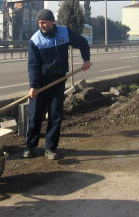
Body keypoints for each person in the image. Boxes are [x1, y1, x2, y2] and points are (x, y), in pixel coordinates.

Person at [24, 9, 91, 160]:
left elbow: (82, 42)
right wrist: (33, 86)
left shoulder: (64, 33)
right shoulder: (35, 40)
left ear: (52, 21)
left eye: (44, 22)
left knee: (55, 116)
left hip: (59, 81)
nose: (41, 25)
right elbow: (33, 65)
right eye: (39, 23)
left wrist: (86, 59)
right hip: (41, 83)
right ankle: (30, 146)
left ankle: (50, 149)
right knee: (34, 116)